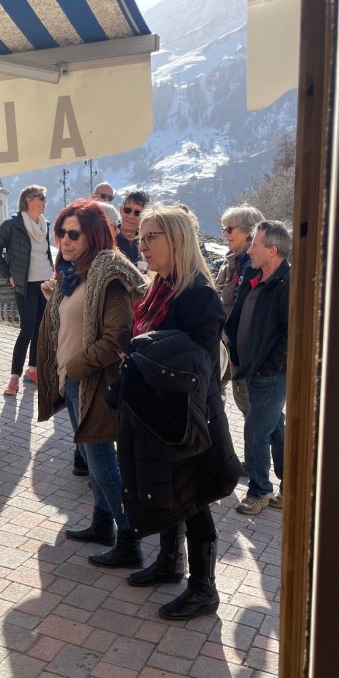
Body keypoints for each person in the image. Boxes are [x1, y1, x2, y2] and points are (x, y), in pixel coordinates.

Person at [109, 205, 241, 618]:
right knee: (168, 489)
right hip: (158, 411)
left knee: (193, 496)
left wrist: (149, 356)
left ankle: (204, 589)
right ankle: (170, 563)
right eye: (142, 237)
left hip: (185, 415)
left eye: (152, 237)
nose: (142, 245)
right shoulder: (161, 286)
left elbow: (201, 364)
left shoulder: (198, 295)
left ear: (177, 240)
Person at [37, 199, 146, 567]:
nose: (64, 241)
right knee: (90, 457)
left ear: (94, 235)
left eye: (73, 234)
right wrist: (55, 299)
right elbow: (77, 321)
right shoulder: (76, 273)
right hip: (75, 381)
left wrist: (77, 368)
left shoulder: (110, 274)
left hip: (93, 382)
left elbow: (118, 336)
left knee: (101, 463)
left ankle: (129, 540)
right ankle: (102, 523)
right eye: (60, 233)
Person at [224, 220, 291, 515]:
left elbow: (290, 334)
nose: (249, 250)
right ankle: (291, 487)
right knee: (273, 427)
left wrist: (268, 366)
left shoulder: (287, 283)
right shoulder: (254, 273)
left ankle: (259, 491)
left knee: (255, 432)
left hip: (269, 374)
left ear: (272, 250)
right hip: (251, 369)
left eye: (255, 244)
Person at [0, 185, 54, 396]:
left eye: (45, 197)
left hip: (45, 284)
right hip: (25, 286)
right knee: (27, 329)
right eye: (41, 197)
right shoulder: (12, 225)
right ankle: (14, 378)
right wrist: (8, 273)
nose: (45, 201)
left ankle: (33, 370)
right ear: (29, 200)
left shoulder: (45, 225)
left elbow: (45, 254)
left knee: (40, 328)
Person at [216, 204, 265, 415]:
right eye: (223, 228)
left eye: (229, 229)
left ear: (249, 233)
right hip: (229, 342)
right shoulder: (234, 261)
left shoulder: (253, 266)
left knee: (249, 406)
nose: (225, 234)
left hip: (243, 349)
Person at [117, 189, 150, 264]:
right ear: (121, 210)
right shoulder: (108, 238)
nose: (131, 216)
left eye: (138, 213)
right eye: (127, 210)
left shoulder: (148, 241)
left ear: (145, 216)